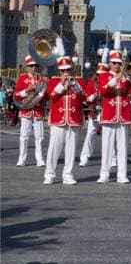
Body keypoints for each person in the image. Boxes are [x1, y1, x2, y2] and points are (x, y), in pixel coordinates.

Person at [43, 56, 87, 185]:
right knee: (54, 148)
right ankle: (49, 174)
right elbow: (52, 97)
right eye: (63, 70)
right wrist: (62, 84)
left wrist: (74, 84)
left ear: (72, 69)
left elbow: (83, 97)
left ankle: (68, 174)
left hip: (74, 119)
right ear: (59, 71)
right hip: (58, 120)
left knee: (71, 148)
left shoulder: (79, 81)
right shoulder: (53, 81)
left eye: (68, 70)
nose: (66, 73)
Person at [97, 49, 131, 184]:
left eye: (119, 63)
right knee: (106, 146)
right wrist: (115, 80)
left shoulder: (125, 77)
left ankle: (122, 174)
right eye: (114, 63)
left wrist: (128, 80)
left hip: (123, 114)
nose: (117, 66)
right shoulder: (104, 75)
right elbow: (103, 91)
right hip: (109, 114)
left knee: (123, 146)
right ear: (110, 63)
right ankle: (104, 174)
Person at [14, 56, 47, 167]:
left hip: (38, 110)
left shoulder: (41, 79)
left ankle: (39, 159)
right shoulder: (22, 78)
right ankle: (21, 159)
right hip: (26, 110)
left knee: (39, 136)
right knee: (24, 136)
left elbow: (46, 96)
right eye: (31, 66)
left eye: (35, 66)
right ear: (27, 67)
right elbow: (17, 95)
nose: (34, 68)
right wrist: (28, 89)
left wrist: (48, 84)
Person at [79, 68, 104, 167]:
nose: (100, 77)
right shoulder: (91, 83)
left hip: (106, 112)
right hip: (94, 111)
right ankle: (85, 157)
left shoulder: (110, 81)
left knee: (109, 135)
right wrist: (93, 96)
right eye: (98, 74)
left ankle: (113, 158)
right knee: (90, 134)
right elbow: (86, 99)